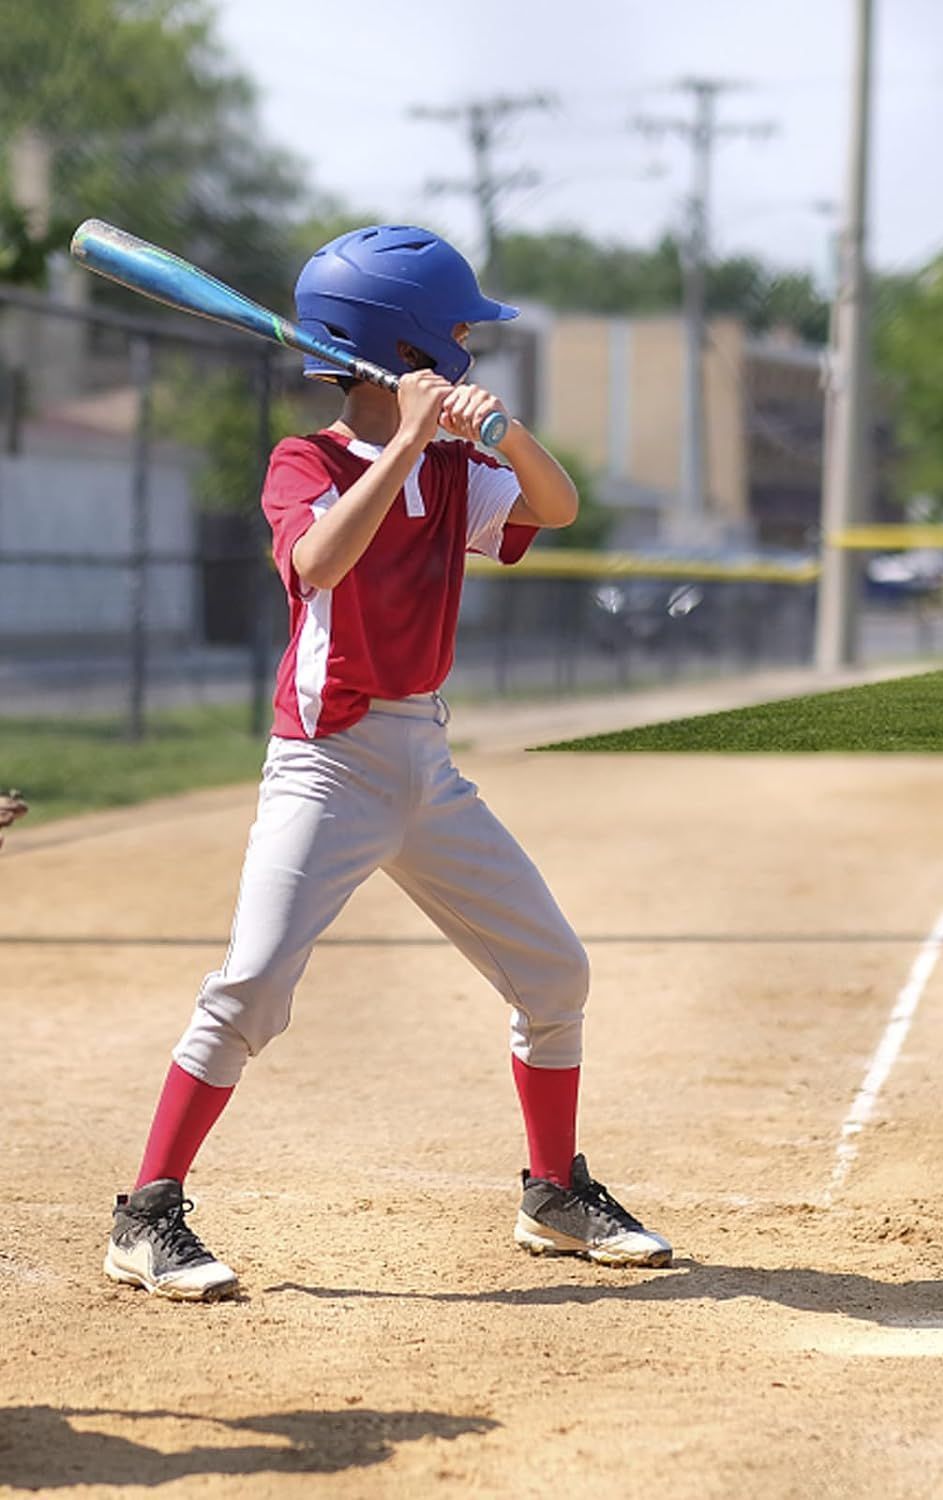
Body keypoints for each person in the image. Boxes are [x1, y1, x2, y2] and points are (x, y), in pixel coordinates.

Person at [104, 226, 670, 1301]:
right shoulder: (304, 462)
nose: (472, 344)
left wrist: (502, 433)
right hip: (327, 764)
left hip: (424, 758)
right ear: (408, 344)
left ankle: (553, 1193)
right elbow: (316, 560)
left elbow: (557, 508)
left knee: (554, 973)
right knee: (254, 988)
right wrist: (404, 443)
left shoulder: (459, 468)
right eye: (459, 330)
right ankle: (147, 1214)